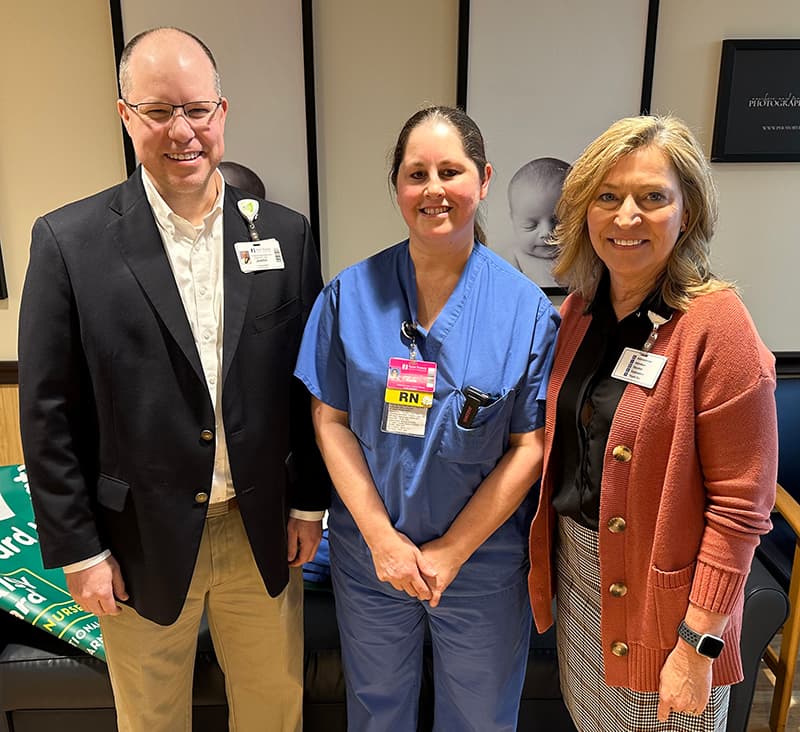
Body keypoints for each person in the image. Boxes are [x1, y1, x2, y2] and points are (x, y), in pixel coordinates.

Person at [17, 26, 328, 732]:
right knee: (152, 719)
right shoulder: (69, 242)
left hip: (260, 532)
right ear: (125, 115)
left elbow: (306, 386)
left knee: (273, 713)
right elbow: (47, 413)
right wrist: (78, 550)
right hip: (136, 539)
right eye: (158, 112)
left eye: (197, 109)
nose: (182, 131)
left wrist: (309, 506)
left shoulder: (283, 235)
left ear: (223, 112)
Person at [295, 105, 559, 731]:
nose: (434, 189)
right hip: (371, 557)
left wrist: (450, 552)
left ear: (484, 179)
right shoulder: (348, 296)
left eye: (451, 171)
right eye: (417, 174)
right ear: (397, 188)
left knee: (479, 717)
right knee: (376, 709)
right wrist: (384, 543)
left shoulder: (525, 310)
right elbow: (330, 421)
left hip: (482, 562)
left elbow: (529, 445)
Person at [527, 115, 777, 731]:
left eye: (652, 197)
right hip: (583, 575)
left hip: (670, 610)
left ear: (686, 212)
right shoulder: (581, 310)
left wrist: (699, 646)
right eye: (607, 198)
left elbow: (741, 509)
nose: (626, 217)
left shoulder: (719, 328)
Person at [507, 156, 569, 287]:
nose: (546, 233)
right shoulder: (514, 259)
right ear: (514, 221)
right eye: (531, 225)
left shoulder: (585, 255)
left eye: (558, 222)